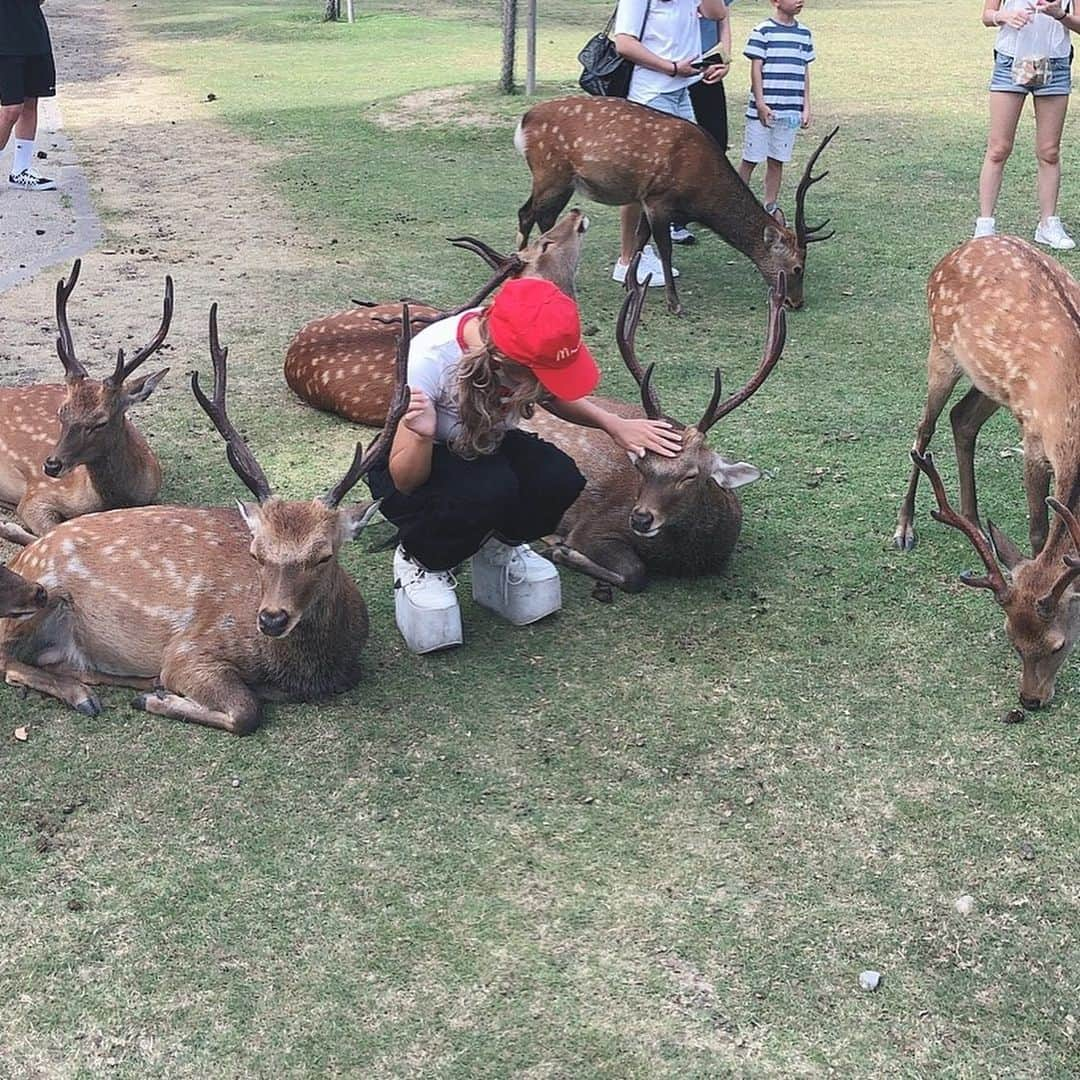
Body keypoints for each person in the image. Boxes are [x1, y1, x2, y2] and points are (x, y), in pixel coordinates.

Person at [367, 278, 682, 654]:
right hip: (416, 464)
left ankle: (497, 548)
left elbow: (551, 394)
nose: (542, 387)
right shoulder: (428, 360)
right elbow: (404, 480)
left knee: (558, 478)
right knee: (488, 488)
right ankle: (421, 561)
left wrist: (614, 425)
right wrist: (420, 434)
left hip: (483, 446)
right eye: (538, 375)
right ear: (503, 360)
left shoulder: (515, 362)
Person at [612, 0, 729, 286]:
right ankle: (627, 259)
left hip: (682, 92)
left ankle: (643, 250)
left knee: (675, 181)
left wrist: (723, 60)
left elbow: (717, 14)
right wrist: (672, 67)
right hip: (652, 93)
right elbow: (624, 43)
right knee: (640, 182)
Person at [975, 0, 1077, 249]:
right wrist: (1005, 16)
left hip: (1056, 64)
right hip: (1011, 62)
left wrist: (1060, 14)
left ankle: (1047, 224)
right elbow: (987, 15)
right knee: (998, 148)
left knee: (1049, 151)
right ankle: (985, 225)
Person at [736, 0, 814, 213]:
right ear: (775, 2)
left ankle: (770, 205)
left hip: (789, 112)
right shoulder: (763, 31)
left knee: (777, 159)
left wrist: (806, 106)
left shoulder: (804, 34)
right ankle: (736, 204)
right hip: (762, 112)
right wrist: (760, 103)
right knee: (751, 158)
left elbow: (804, 71)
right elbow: (756, 70)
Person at [0, 0, 58, 191]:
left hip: (32, 36)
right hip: (5, 42)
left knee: (30, 102)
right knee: (11, 109)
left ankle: (21, 170)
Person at [689, 1, 733, 155]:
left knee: (716, 143)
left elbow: (723, 19)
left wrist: (724, 60)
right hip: (670, 73)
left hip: (709, 69)